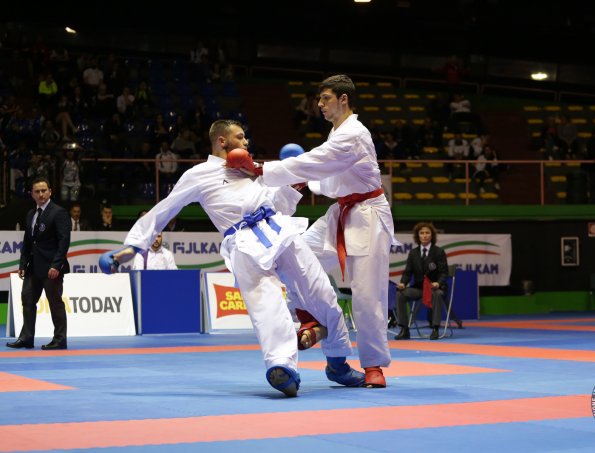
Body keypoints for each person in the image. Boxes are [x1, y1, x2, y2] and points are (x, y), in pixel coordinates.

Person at [98, 119, 363, 397]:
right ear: (222, 141)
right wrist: (131, 247)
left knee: (322, 293)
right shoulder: (198, 175)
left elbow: (278, 204)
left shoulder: (253, 169)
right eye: (240, 136)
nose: (246, 141)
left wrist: (291, 182)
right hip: (243, 243)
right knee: (267, 304)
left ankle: (337, 363)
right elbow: (166, 208)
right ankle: (282, 366)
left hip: (279, 230)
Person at [245, 74, 398, 388]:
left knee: (367, 296)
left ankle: (373, 366)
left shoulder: (353, 133)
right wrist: (303, 179)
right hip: (341, 211)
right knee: (294, 256)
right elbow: (327, 173)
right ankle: (312, 318)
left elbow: (319, 162)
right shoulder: (337, 132)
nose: (319, 105)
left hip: (368, 215)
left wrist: (263, 169)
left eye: (325, 99)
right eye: (319, 100)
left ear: (343, 99)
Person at [7, 177, 71, 350]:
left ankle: (60, 339)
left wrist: (56, 265)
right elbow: (28, 242)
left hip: (51, 267)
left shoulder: (59, 212)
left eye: (44, 190)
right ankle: (27, 337)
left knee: (55, 303)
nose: (41, 194)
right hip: (33, 267)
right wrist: (22, 264)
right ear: (32, 194)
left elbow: (64, 241)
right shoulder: (31, 214)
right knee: (27, 300)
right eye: (37, 191)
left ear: (50, 191)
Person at [394, 222, 462, 341]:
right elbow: (407, 272)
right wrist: (403, 283)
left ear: (431, 235)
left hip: (436, 288)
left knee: (437, 294)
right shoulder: (413, 253)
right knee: (400, 294)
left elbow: (444, 273)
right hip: (419, 289)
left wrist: (438, 283)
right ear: (418, 236)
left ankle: (435, 328)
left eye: (427, 233)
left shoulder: (439, 252)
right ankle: (404, 329)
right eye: (422, 233)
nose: (424, 235)